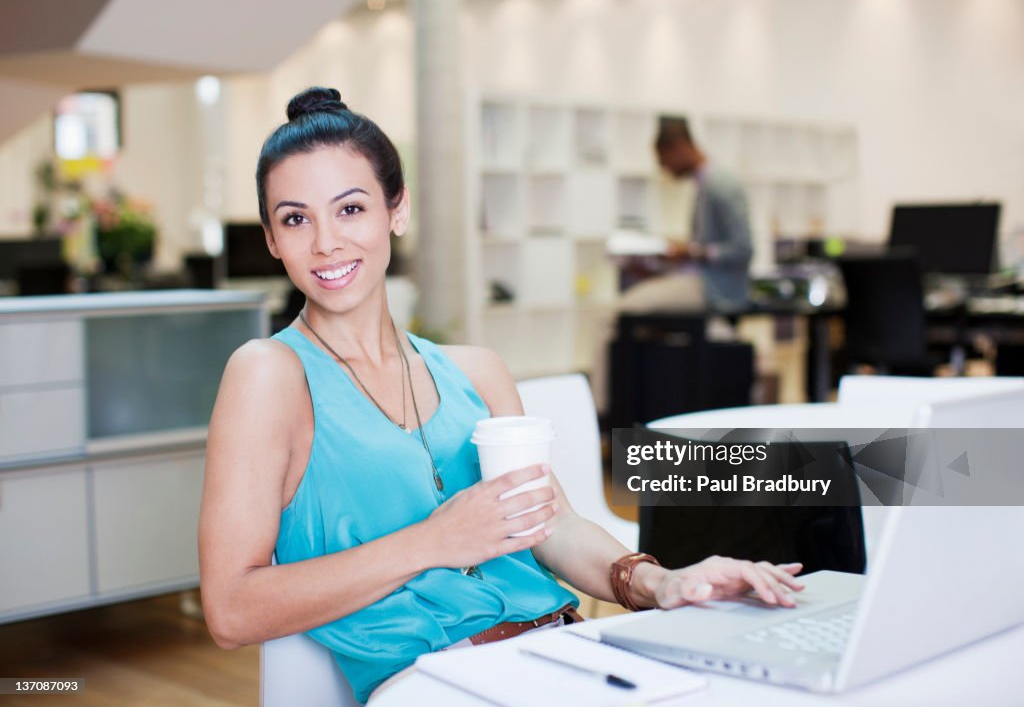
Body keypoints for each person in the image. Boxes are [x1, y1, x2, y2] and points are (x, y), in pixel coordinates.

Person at [198, 87, 802, 704]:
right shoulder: (268, 373)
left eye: (350, 209)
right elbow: (231, 610)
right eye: (295, 218)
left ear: (396, 211)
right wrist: (434, 540)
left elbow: (551, 525)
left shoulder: (477, 371)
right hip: (437, 680)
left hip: (569, 649)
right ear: (273, 238)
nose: (325, 243)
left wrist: (661, 583)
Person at [590, 116, 754, 414]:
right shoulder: (707, 183)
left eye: (664, 160)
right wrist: (659, 266)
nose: (664, 169)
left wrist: (690, 251)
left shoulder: (721, 183)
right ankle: (633, 407)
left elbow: (742, 249)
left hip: (713, 289)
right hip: (699, 281)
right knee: (630, 315)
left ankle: (602, 412)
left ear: (678, 147)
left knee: (613, 315)